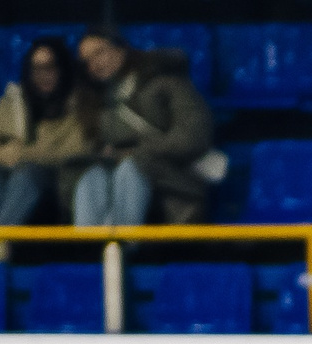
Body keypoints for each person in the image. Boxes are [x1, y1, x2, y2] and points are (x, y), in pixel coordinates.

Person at [70, 29, 213, 227]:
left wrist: (135, 152)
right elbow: (88, 146)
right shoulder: (93, 102)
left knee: (131, 168)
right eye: (87, 60)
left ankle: (123, 245)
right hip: (118, 178)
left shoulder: (166, 82)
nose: (94, 63)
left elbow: (192, 137)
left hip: (174, 181)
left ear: (121, 49)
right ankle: (90, 250)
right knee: (92, 177)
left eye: (99, 52)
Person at [0, 37, 94, 230]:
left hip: (58, 191)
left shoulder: (81, 104)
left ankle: (0, 241)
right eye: (37, 68)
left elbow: (75, 149)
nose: (44, 75)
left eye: (51, 67)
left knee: (28, 174)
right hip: (11, 186)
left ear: (63, 68)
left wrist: (19, 153)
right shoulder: (14, 103)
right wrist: (3, 154)